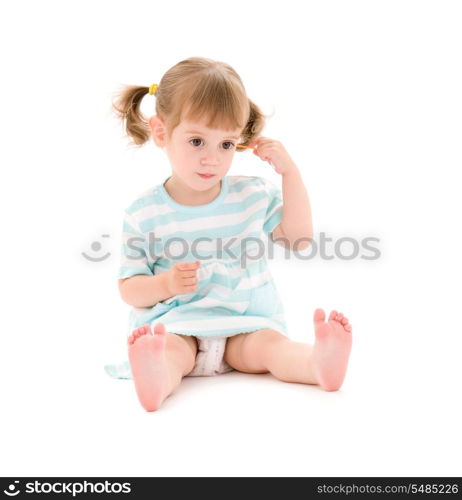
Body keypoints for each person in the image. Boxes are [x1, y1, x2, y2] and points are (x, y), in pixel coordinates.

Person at [107, 56, 352, 412]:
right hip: (179, 325)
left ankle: (317, 364)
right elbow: (130, 289)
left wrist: (290, 175)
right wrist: (166, 285)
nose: (212, 159)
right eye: (196, 142)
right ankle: (156, 378)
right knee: (173, 354)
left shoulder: (251, 195)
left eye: (225, 145)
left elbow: (298, 239)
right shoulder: (145, 213)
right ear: (161, 132)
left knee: (272, 349)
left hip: (245, 324)